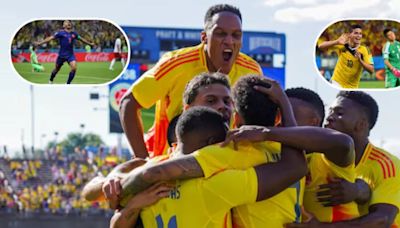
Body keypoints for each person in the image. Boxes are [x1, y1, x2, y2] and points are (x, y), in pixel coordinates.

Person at [112, 106, 307, 228]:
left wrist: (133, 205)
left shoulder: (143, 181)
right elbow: (294, 168)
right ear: (213, 143)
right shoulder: (215, 186)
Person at [119, 4, 262, 158]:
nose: (229, 41)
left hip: (222, 165)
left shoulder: (251, 72)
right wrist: (142, 161)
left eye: (236, 35)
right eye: (220, 33)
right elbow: (128, 103)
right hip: (168, 166)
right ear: (204, 37)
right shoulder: (175, 64)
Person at [81, 72, 233, 204]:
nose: (223, 106)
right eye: (211, 101)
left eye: (227, 101)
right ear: (188, 110)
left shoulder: (243, 154)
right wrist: (111, 180)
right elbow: (90, 192)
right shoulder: (160, 163)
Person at [288, 91, 400, 227]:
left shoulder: (386, 164)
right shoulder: (312, 158)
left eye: (339, 113)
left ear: (361, 124)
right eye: (330, 111)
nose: (329, 117)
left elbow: (382, 220)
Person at [34, 20, 95, 84]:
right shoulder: (60, 33)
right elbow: (51, 38)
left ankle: (68, 84)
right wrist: (40, 43)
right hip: (61, 55)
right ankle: (51, 80)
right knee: (56, 70)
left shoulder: (74, 34)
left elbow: (81, 39)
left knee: (74, 68)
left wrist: (90, 44)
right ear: (64, 26)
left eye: (69, 22)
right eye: (66, 22)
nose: (68, 23)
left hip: (70, 55)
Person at [318, 24, 374, 88]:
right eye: (356, 33)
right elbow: (321, 46)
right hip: (337, 82)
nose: (359, 36)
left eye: (360, 34)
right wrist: (336, 41)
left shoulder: (365, 50)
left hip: (352, 87)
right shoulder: (342, 45)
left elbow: (371, 70)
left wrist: (360, 61)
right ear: (349, 34)